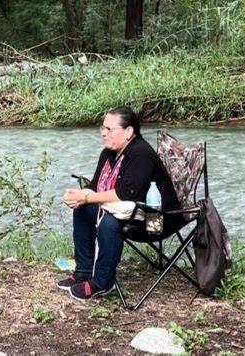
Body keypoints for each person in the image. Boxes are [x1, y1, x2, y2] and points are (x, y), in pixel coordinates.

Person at [57, 107, 181, 301]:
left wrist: (87, 197)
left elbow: (125, 194)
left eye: (109, 129)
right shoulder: (108, 153)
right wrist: (79, 195)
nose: (103, 133)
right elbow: (96, 187)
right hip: (130, 211)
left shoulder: (141, 153)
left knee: (109, 222)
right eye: (102, 128)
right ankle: (84, 271)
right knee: (82, 210)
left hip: (157, 219)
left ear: (129, 132)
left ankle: (102, 283)